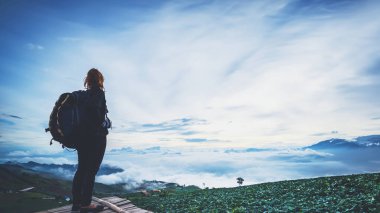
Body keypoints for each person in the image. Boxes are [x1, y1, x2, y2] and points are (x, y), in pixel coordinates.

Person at [71, 68, 109, 213]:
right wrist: (103, 123)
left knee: (81, 170)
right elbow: (94, 113)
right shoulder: (98, 92)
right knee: (91, 171)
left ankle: (76, 205)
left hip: (81, 139)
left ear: (87, 80)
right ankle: (86, 204)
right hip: (96, 138)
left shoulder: (82, 96)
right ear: (99, 79)